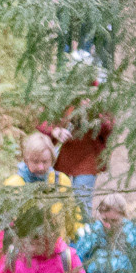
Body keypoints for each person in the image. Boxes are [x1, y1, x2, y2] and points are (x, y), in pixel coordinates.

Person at [39, 77, 114, 213]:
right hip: (61, 161)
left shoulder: (98, 104)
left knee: (82, 204)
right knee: (58, 203)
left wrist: (95, 115)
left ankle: (82, 233)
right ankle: (60, 233)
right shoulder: (61, 99)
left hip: (87, 162)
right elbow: (42, 122)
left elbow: (109, 129)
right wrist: (55, 131)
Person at [5, 132, 82, 239]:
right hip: (26, 249)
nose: (41, 167)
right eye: (35, 162)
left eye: (45, 162)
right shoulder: (14, 185)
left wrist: (77, 237)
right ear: (26, 160)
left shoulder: (60, 181)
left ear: (52, 160)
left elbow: (71, 215)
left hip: (58, 247)